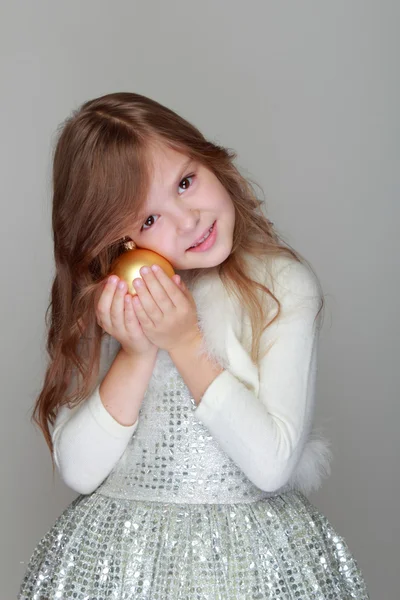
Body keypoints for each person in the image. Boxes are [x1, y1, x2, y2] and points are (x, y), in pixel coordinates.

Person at [18, 92, 369, 599]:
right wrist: (138, 353)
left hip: (244, 567)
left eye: (186, 182)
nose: (188, 220)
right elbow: (79, 469)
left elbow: (272, 465)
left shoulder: (281, 285)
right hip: (124, 568)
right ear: (121, 245)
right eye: (148, 220)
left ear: (209, 159)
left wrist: (184, 344)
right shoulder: (121, 302)